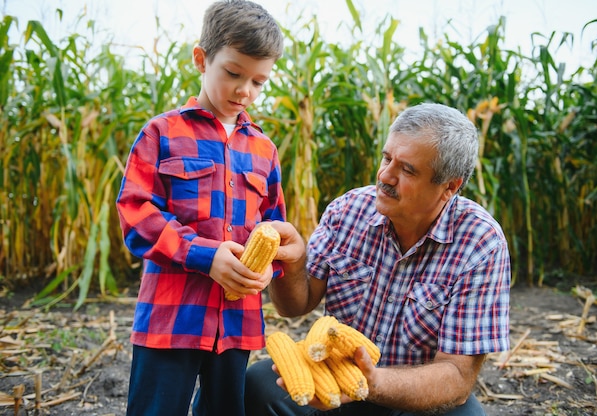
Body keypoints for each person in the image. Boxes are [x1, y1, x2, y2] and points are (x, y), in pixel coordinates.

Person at [246, 103, 511, 416]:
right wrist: (293, 263)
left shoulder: (480, 244)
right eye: (387, 158)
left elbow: (457, 376)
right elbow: (294, 306)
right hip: (333, 380)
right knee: (256, 384)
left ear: (449, 187)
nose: (385, 175)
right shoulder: (347, 211)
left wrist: (371, 381)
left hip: (411, 400)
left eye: (407, 170)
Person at [116, 1, 284, 415]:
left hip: (237, 323)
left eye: (259, 81)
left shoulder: (264, 149)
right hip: (171, 319)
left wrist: (268, 267)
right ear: (201, 59)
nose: (245, 90)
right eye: (233, 73)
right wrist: (204, 256)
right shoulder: (162, 132)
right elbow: (136, 213)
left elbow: (274, 226)